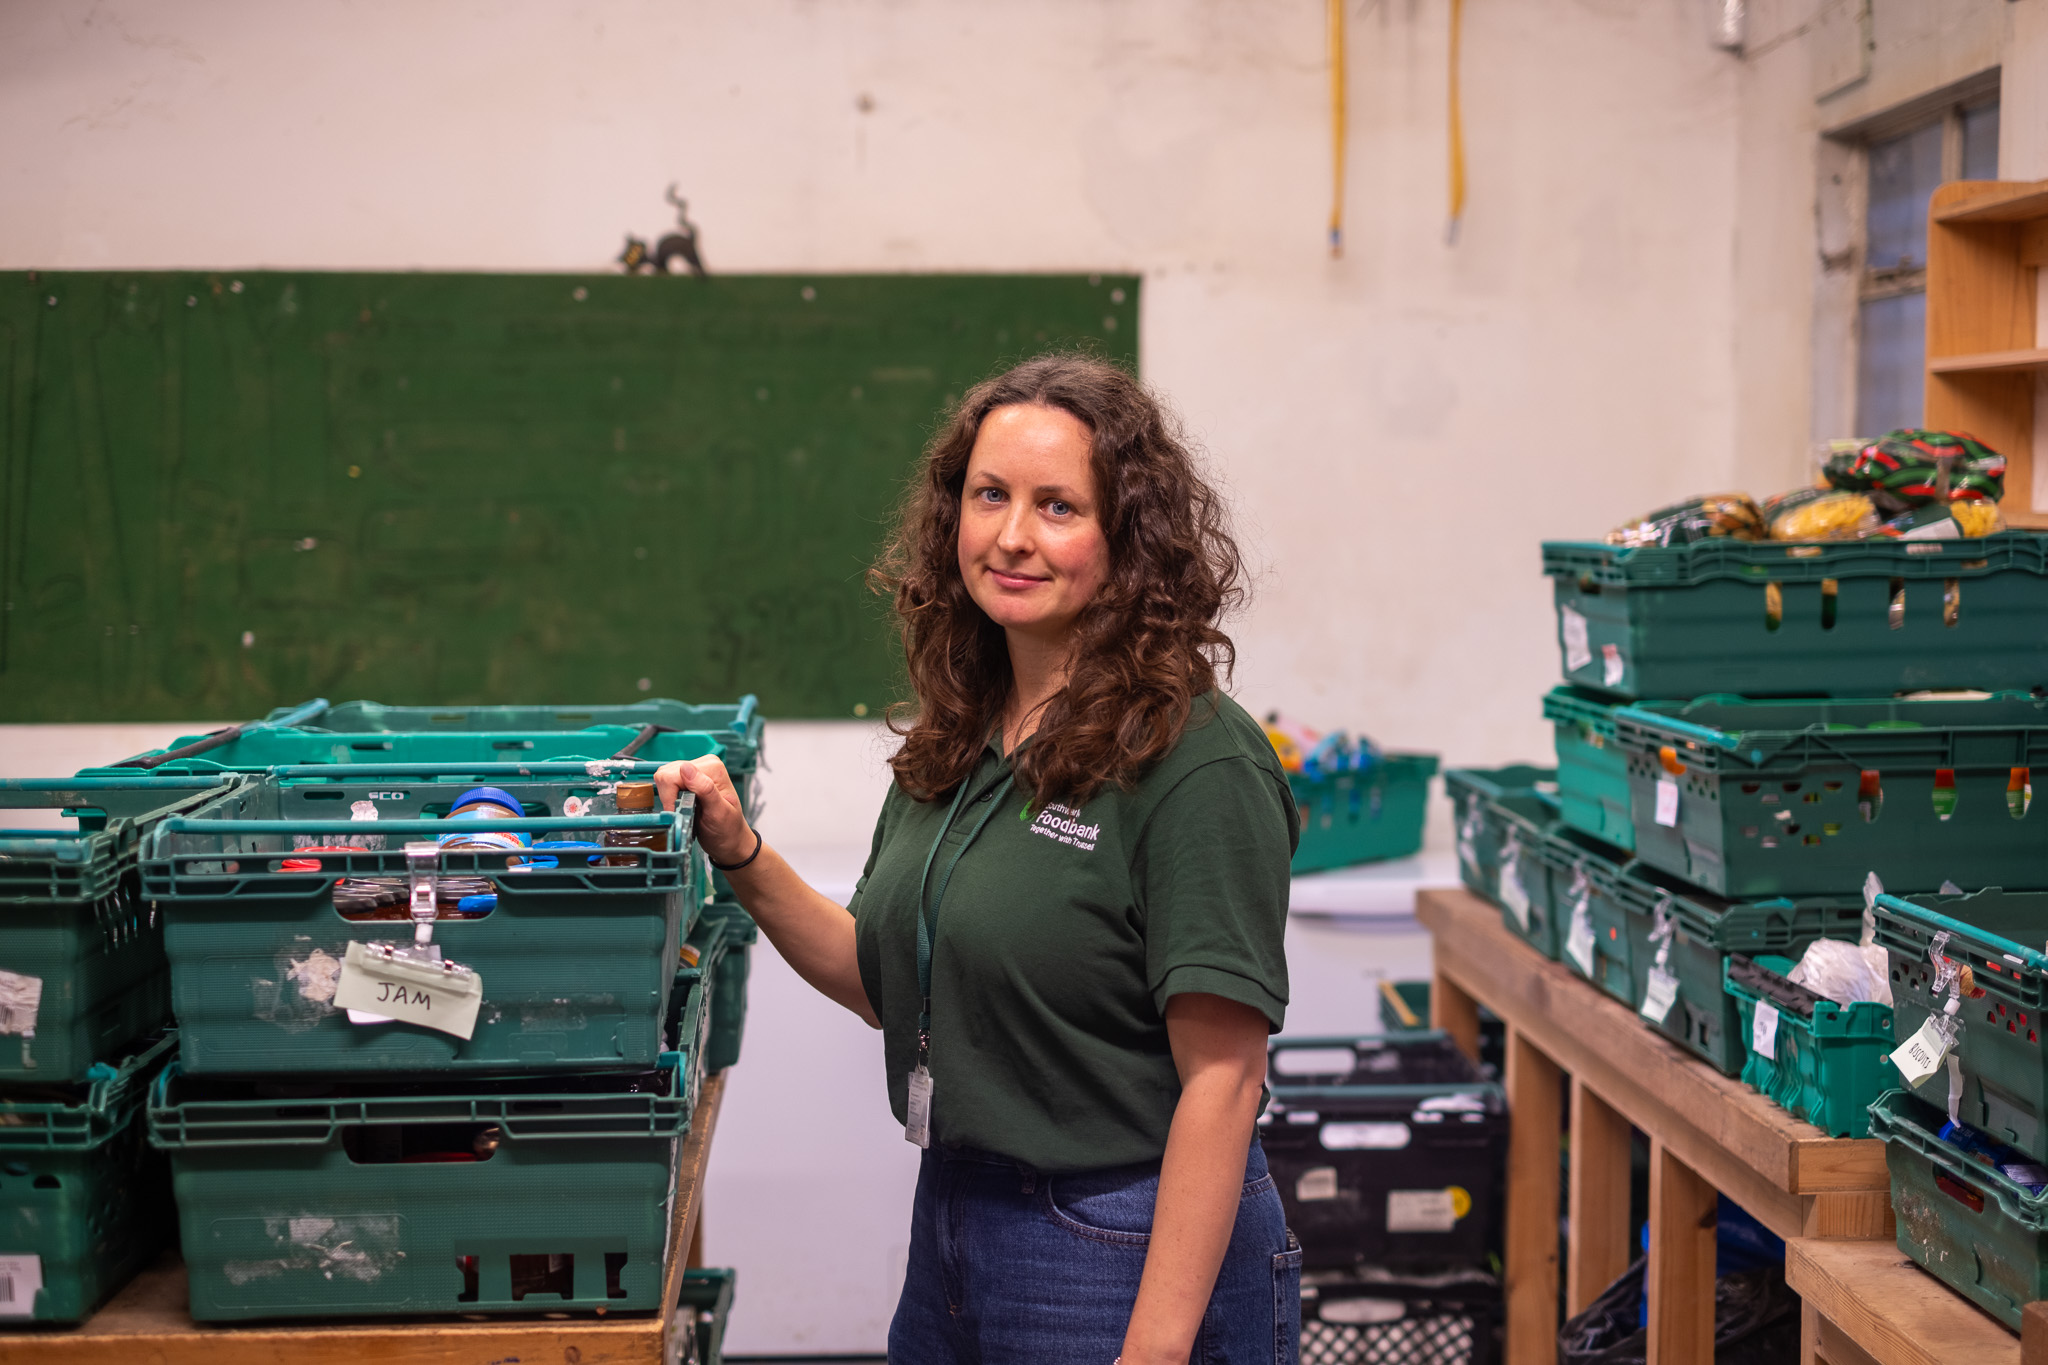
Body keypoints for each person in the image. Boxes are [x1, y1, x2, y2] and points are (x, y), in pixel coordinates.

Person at [656, 354, 1299, 1364]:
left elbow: (1222, 1078)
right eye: (989, 495)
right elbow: (885, 981)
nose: (1009, 536)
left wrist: (1155, 1349)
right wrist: (738, 852)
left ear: (1127, 540)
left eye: (1057, 507)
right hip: (955, 1218)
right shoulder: (959, 733)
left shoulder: (1193, 760)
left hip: (1119, 1238)